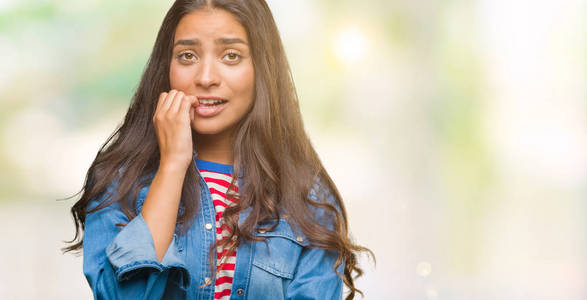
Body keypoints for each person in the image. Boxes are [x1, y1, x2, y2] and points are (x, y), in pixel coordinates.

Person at [64, 0, 372, 299]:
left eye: (231, 56)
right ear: (166, 66)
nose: (206, 78)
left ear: (262, 68)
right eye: (187, 55)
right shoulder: (120, 182)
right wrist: (173, 164)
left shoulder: (308, 197)